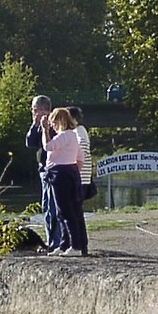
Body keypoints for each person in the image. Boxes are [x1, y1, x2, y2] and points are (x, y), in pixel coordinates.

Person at [41, 107, 88, 256]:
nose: (52, 126)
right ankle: (65, 244)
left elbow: (48, 146)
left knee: (65, 211)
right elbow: (80, 157)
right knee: (68, 210)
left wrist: (44, 130)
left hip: (60, 173)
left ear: (60, 121)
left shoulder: (64, 136)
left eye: (53, 123)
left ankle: (75, 246)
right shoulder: (73, 136)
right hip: (70, 171)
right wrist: (74, 171)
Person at [25, 94, 62, 251]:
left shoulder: (54, 124)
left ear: (42, 110)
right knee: (46, 206)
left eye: (34, 110)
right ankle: (51, 240)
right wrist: (35, 125)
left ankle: (56, 242)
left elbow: (52, 145)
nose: (32, 113)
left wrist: (46, 128)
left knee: (53, 207)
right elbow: (30, 143)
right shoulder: (39, 125)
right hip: (43, 170)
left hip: (54, 169)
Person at [68, 106, 93, 255]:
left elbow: (81, 152)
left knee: (75, 212)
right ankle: (82, 245)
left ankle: (80, 245)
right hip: (82, 176)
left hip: (81, 178)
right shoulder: (80, 131)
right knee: (77, 212)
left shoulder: (79, 132)